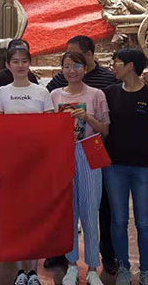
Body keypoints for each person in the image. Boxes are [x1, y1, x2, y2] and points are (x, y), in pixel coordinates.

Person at [45, 36, 119, 275]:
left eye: (77, 66)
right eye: (67, 66)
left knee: (90, 209)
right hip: (63, 154)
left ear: (85, 68)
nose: (72, 71)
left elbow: (105, 130)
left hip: (89, 151)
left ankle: (93, 265)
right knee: (68, 211)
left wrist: (87, 118)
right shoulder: (55, 95)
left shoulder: (96, 94)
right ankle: (71, 265)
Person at [103, 49, 148, 285]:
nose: (113, 67)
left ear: (130, 65)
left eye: (117, 63)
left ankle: (146, 271)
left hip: (143, 167)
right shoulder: (110, 93)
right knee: (118, 220)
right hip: (114, 167)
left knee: (144, 222)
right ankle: (123, 267)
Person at [0, 46, 54, 285]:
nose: (20, 65)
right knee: (16, 216)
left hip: (36, 164)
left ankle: (33, 271)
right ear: (8, 65)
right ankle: (20, 270)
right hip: (11, 163)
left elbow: (51, 127)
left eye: (24, 61)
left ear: (30, 63)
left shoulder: (41, 92)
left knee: (35, 216)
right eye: (15, 61)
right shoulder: (1, 92)